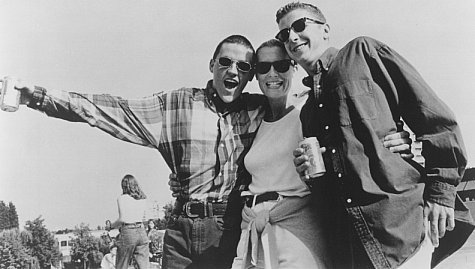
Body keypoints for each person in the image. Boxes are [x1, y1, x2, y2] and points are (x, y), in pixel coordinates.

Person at [12, 34, 410, 269]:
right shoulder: (175, 106)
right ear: (212, 64)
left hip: (229, 224)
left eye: (245, 67)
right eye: (226, 62)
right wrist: (37, 96)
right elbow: (105, 109)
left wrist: (395, 138)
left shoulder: (262, 108)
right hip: (180, 227)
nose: (235, 71)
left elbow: (338, 117)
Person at [276, 2, 472, 268]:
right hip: (351, 245)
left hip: (402, 228)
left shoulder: (363, 52)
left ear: (325, 30)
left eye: (299, 26)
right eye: (284, 34)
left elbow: (434, 119)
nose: (292, 37)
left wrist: (441, 194)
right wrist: (308, 175)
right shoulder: (308, 111)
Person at [230, 39, 333, 269]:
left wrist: (396, 138)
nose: (272, 73)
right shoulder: (255, 121)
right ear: (256, 75)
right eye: (263, 67)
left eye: (281, 65)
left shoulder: (307, 113)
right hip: (252, 230)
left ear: (294, 67)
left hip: (295, 231)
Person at [108, 174, 149, 269]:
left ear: (124, 186)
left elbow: (123, 219)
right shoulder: (142, 198)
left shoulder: (122, 198)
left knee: (122, 264)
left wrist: (111, 226)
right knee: (144, 266)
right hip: (142, 230)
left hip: (128, 231)